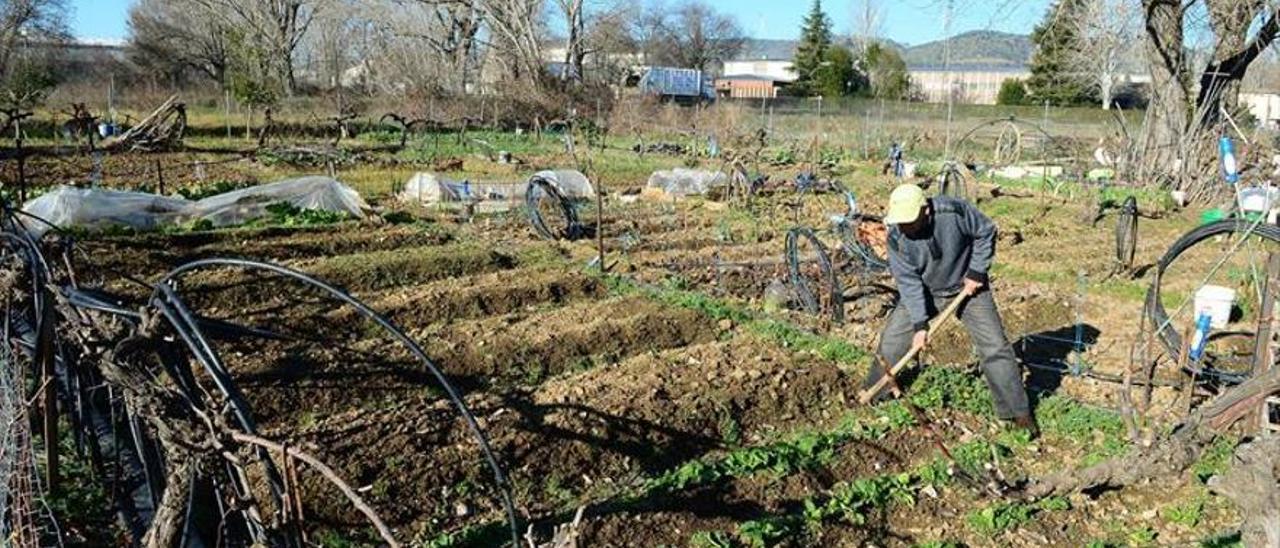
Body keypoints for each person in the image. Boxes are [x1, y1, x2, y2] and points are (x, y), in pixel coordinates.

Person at [863, 183, 1037, 436]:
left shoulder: (953, 211)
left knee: (995, 347)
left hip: (969, 287)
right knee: (892, 341)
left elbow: (985, 231)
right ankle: (876, 394)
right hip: (926, 291)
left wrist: (977, 270)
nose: (905, 227)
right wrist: (920, 324)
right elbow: (909, 283)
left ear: (926, 211)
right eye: (900, 222)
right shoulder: (897, 239)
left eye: (910, 221)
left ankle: (1017, 413)